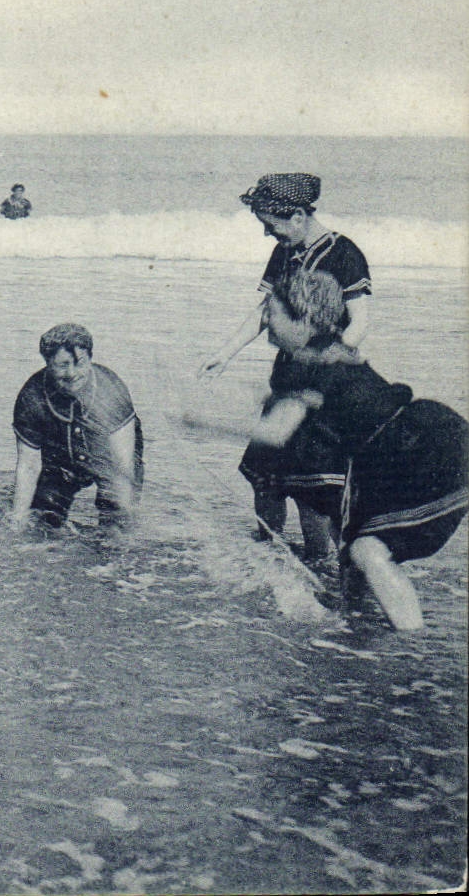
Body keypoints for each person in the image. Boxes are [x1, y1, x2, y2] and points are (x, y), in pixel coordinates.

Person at [187, 270, 465, 632]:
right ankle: (359, 625)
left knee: (367, 552)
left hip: (422, 451)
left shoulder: (310, 364)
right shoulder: (328, 351)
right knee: (355, 555)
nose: (265, 320)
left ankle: (412, 643)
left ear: (303, 320)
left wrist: (198, 421)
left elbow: (274, 433)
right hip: (426, 438)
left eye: (273, 312)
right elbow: (320, 398)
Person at [200, 174, 371, 561]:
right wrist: (225, 353)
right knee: (266, 481)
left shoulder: (343, 253)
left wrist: (326, 359)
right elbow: (264, 310)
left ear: (297, 215)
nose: (267, 234)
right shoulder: (285, 251)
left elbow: (360, 322)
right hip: (286, 378)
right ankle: (269, 554)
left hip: (319, 385)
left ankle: (319, 567)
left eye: (270, 225)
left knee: (312, 491)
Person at [7, 323, 143, 534]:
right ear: (47, 363)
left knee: (115, 527)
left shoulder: (112, 392)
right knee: (41, 523)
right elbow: (28, 466)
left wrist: (123, 523)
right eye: (62, 365)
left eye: (79, 363)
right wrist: (17, 520)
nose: (72, 374)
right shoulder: (31, 397)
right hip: (60, 462)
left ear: (90, 358)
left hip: (108, 460)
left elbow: (122, 467)